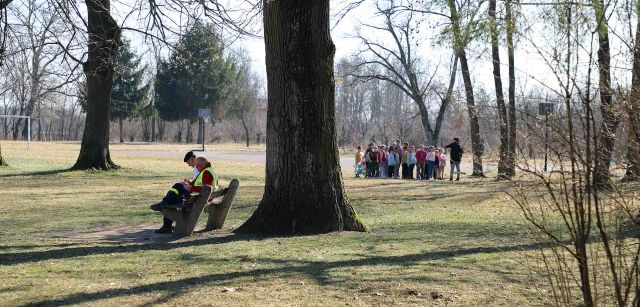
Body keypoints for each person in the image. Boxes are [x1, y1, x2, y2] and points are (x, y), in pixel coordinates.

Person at [150, 156, 218, 234]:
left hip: (196, 200)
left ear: (203, 164)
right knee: (178, 186)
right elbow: (202, 186)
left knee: (173, 196)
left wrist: (190, 188)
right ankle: (165, 206)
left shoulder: (206, 172)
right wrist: (188, 183)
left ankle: (166, 225)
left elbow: (206, 188)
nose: (196, 167)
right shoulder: (210, 170)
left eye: (197, 165)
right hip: (198, 198)